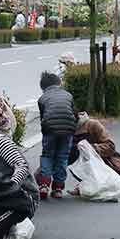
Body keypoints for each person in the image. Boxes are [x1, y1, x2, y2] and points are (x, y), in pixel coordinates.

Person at [37, 72, 77, 200]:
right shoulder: (68, 95)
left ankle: (44, 185)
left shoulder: (42, 99)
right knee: (62, 156)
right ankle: (58, 188)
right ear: (59, 83)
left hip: (50, 129)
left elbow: (43, 118)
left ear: (43, 88)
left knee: (47, 155)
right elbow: (74, 113)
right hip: (68, 128)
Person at [69, 112, 120, 180]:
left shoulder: (92, 125)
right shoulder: (63, 130)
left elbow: (110, 146)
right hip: (82, 170)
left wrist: (89, 148)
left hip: (102, 166)